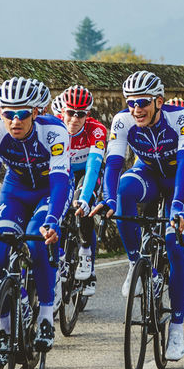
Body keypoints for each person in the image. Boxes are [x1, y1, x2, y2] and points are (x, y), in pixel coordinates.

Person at [91, 70, 184, 361]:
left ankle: (176, 329)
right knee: (125, 189)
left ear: (159, 102)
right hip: (149, 174)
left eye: (143, 102)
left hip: (181, 181)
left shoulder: (182, 119)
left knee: (176, 248)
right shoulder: (123, 121)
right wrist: (109, 199)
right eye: (131, 103)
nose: (136, 109)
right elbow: (113, 163)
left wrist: (177, 206)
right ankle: (134, 262)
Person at [0, 77, 69, 351]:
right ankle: (4, 327)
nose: (15, 121)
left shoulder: (54, 131)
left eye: (22, 114)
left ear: (35, 112)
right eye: (8, 114)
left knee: (36, 241)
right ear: (0, 114)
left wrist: (53, 220)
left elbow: (60, 181)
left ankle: (45, 316)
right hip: (15, 190)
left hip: (48, 191)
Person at [62, 85, 109, 297]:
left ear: (87, 115)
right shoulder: (54, 126)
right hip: (64, 172)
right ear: (62, 111)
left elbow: (93, 166)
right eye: (70, 113)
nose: (73, 119)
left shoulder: (96, 130)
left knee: (85, 204)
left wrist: (83, 198)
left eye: (80, 115)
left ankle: (86, 253)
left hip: (88, 173)